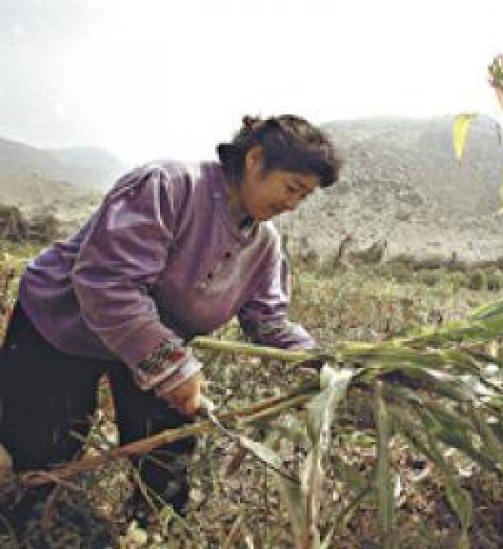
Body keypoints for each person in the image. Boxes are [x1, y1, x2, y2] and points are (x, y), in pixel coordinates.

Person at [0, 114, 341, 530]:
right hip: (62, 327)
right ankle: (36, 516)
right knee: (45, 447)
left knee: (167, 454)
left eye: (303, 197)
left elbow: (268, 321)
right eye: (292, 188)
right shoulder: (167, 187)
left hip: (152, 349)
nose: (292, 204)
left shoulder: (264, 245)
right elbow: (108, 284)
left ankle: (157, 526)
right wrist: (173, 366)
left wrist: (321, 362)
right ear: (255, 160)